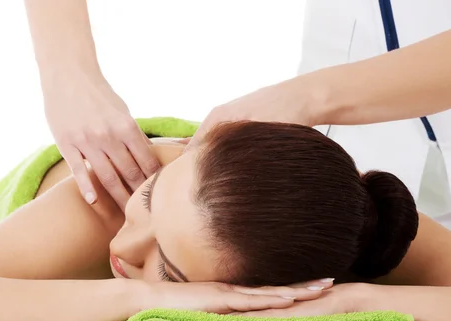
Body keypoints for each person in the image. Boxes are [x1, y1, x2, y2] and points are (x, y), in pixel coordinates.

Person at [0, 120, 451, 321]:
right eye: (151, 202)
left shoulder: (371, 221)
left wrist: (357, 300)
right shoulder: (108, 199)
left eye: (167, 268)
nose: (123, 246)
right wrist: (144, 294)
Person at [23, 0, 451, 227]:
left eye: (168, 270)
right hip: (354, 128)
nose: (123, 248)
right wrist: (67, 71)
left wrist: (310, 98)